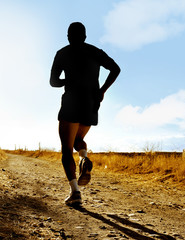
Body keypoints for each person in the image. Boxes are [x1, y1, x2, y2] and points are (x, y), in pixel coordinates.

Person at [50, 22, 120, 205]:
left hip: (71, 101)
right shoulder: (95, 51)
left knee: (66, 150)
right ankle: (83, 158)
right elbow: (116, 69)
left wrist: (68, 80)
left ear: (68, 36)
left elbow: (53, 82)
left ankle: (75, 193)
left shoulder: (62, 53)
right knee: (77, 140)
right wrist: (102, 90)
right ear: (85, 36)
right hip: (91, 103)